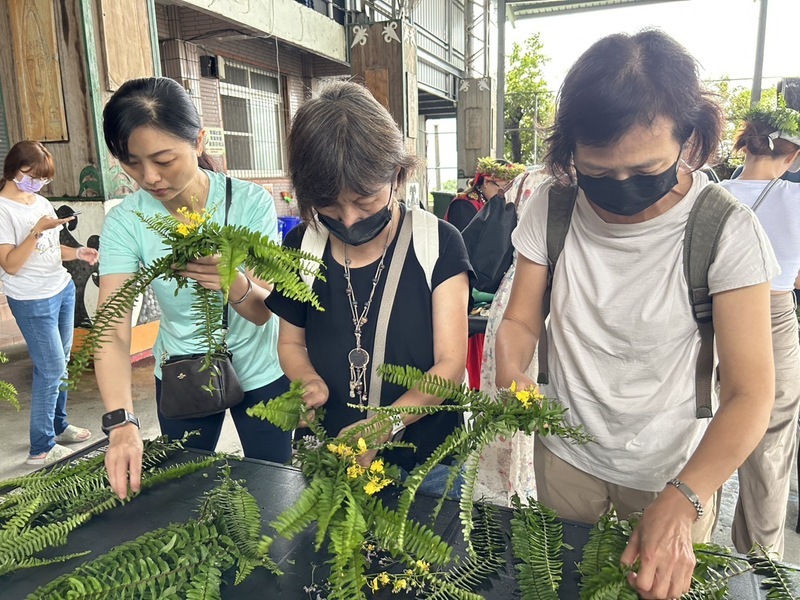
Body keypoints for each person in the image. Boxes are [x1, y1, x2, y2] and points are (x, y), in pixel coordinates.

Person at [495, 30, 777, 600]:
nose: (620, 189)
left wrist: (685, 499)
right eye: (598, 174)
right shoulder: (553, 209)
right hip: (566, 454)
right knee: (561, 582)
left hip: (671, 468)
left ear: (691, 141)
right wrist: (511, 370)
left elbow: (751, 392)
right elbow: (522, 321)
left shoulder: (725, 230)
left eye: (646, 171)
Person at [266, 81, 472, 486]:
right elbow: (290, 343)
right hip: (328, 452)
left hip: (426, 461)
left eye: (364, 202)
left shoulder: (438, 243)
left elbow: (449, 367)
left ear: (397, 175)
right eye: (328, 207)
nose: (348, 220)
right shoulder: (302, 245)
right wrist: (306, 381)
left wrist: (384, 425)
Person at [96, 77, 291, 500]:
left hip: (261, 371)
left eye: (164, 159)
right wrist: (121, 421)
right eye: (131, 162)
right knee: (184, 494)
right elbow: (111, 327)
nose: (150, 177)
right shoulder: (127, 221)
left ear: (198, 141)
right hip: (184, 372)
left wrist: (231, 280)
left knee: (275, 491)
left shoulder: (249, 203)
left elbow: (261, 312)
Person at [719, 106, 800, 558]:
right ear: (792, 157)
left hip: (711, 314)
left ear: (745, 144)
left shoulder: (711, 195)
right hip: (773, 315)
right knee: (772, 435)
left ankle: (688, 537)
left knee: (698, 424)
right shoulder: (796, 201)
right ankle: (760, 560)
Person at [0, 141, 98, 466]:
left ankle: (59, 426)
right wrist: (37, 232)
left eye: (44, 178)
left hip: (61, 289)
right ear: (13, 168)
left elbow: (51, 251)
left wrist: (78, 253)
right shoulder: (3, 209)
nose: (38, 184)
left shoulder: (41, 200)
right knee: (50, 367)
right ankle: (40, 447)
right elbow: (11, 264)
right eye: (32, 176)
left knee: (61, 362)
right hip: (31, 300)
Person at [444, 157, 525, 231]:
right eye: (504, 188)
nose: (507, 193)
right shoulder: (463, 205)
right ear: (486, 182)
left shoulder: (500, 204)